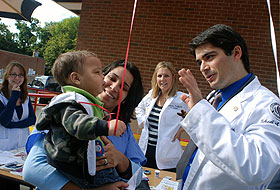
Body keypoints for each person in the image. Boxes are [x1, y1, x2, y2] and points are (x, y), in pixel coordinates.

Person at [176, 24, 280, 190]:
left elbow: (257, 168)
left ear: (236, 53)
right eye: (199, 62)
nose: (202, 67)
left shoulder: (266, 103)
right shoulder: (215, 98)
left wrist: (201, 115)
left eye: (209, 57)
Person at [23, 57, 146, 190]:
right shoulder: (67, 108)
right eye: (112, 78)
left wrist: (120, 159)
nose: (114, 87)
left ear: (126, 98)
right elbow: (32, 170)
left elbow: (141, 176)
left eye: (124, 87)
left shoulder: (124, 128)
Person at [135, 61, 189, 172]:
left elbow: (195, 116)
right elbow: (139, 109)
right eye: (159, 76)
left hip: (168, 154)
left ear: (173, 78)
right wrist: (143, 122)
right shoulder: (152, 95)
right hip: (146, 150)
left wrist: (181, 129)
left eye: (166, 76)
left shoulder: (182, 98)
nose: (162, 79)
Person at [0, 61, 36, 190]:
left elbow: (32, 119)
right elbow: (4, 121)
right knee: (4, 182)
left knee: (15, 184)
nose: (17, 78)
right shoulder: (1, 97)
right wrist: (13, 97)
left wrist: (13, 124)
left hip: (20, 147)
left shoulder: (25, 98)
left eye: (20, 75)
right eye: (13, 74)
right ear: (7, 76)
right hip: (4, 148)